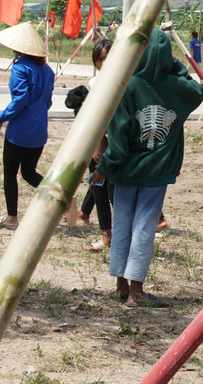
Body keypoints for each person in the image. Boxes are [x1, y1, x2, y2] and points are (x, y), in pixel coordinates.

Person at [95, 28, 203, 306]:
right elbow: (197, 89)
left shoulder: (127, 86)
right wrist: (173, 64)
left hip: (125, 172)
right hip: (157, 172)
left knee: (122, 226)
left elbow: (117, 143)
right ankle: (136, 293)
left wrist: (104, 166)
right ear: (166, 56)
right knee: (144, 228)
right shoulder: (179, 87)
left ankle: (121, 286)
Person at [0, 22, 54, 231]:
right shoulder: (48, 70)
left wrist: (0, 118)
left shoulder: (20, 68)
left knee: (10, 173)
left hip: (19, 131)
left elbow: (20, 100)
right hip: (39, 131)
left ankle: (12, 218)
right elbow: (48, 102)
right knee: (29, 172)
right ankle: (58, 196)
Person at [76, 39, 116, 251]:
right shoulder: (95, 83)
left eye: (107, 58)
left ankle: (120, 234)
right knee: (98, 189)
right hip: (99, 140)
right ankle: (105, 235)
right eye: (99, 59)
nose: (103, 63)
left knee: (114, 192)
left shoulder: (126, 81)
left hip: (117, 142)